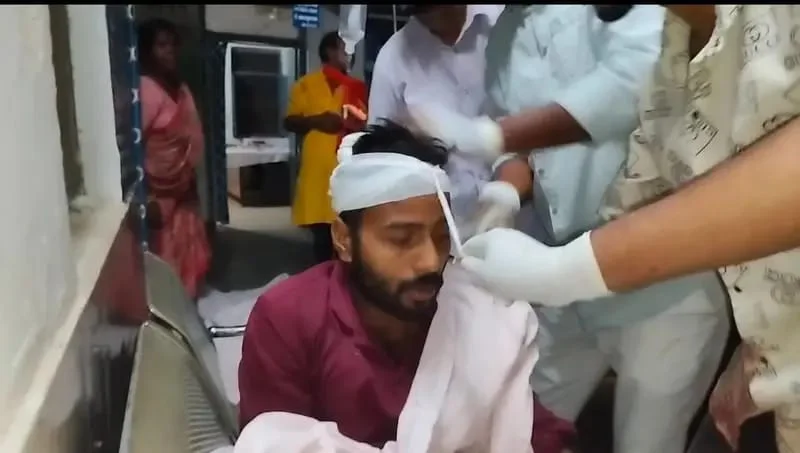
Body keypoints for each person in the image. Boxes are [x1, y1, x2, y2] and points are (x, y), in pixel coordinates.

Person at [422, 4, 800, 452]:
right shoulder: (673, 48)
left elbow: (611, 98)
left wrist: (567, 268)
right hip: (602, 283)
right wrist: (507, 192)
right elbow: (643, 178)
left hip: (666, 293)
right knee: (520, 421)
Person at [237, 121, 576, 453]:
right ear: (344, 239)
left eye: (441, 237)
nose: (430, 261)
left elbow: (531, 430)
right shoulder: (289, 319)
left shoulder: (474, 312)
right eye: (401, 239)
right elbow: (270, 443)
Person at [368, 5, 524, 238]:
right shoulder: (393, 60)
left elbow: (542, 120)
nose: (440, 17)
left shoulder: (506, 25)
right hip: (444, 230)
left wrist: (507, 192)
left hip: (525, 214)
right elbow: (381, 162)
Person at [138, 18, 211, 299]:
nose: (170, 51)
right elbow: (134, 146)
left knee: (188, 253)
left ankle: (184, 307)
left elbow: (191, 137)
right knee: (166, 262)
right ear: (147, 51)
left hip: (183, 189)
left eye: (173, 45)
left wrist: (188, 179)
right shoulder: (145, 89)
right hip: (158, 195)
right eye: (161, 45)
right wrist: (147, 197)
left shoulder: (179, 88)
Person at [284, 31, 367, 264]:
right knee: (322, 237)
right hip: (317, 173)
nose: (350, 55)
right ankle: (324, 280)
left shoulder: (356, 87)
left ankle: (345, 280)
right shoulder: (306, 84)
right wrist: (317, 121)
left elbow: (367, 121)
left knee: (348, 233)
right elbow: (289, 121)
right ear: (330, 51)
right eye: (345, 49)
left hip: (347, 168)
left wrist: (352, 123)